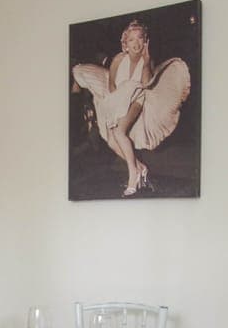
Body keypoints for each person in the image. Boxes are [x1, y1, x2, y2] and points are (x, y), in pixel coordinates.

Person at [72, 20, 191, 196]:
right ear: (125, 44)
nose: (136, 43)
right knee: (112, 141)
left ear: (145, 41)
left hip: (138, 98)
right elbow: (112, 86)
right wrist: (118, 105)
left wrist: (147, 61)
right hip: (119, 98)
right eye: (131, 40)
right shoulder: (118, 59)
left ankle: (132, 176)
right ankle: (140, 167)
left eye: (140, 39)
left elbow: (146, 83)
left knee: (120, 133)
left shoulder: (147, 60)